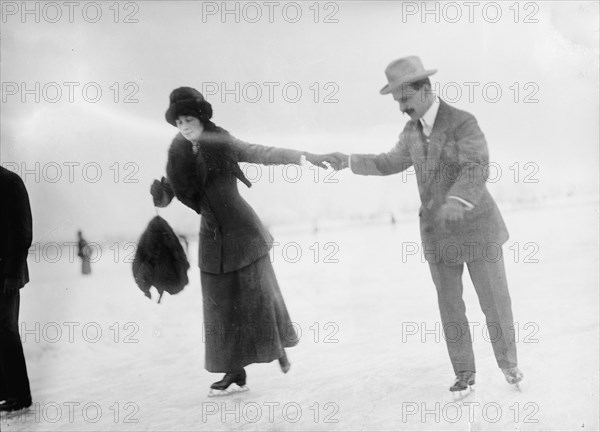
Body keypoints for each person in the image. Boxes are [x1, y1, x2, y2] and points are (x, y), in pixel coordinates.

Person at [325, 56, 523, 392]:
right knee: (450, 307)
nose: (401, 107)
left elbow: (476, 166)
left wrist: (458, 200)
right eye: (397, 101)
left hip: (477, 228)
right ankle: (464, 374)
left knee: (494, 302)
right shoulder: (410, 133)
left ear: (426, 90)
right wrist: (348, 161)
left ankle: (510, 365)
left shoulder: (462, 122)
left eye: (405, 99)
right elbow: (388, 161)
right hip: (439, 234)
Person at [150, 87, 331, 395]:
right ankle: (234, 372)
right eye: (179, 121)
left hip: (243, 233)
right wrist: (162, 195)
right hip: (212, 238)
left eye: (189, 118)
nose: (184, 126)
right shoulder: (177, 155)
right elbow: (175, 192)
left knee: (259, 297)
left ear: (201, 117)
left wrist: (302, 157)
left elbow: (261, 152)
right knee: (218, 308)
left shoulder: (222, 143)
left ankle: (277, 348)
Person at [0, 166, 33, 412]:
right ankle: (6, 393)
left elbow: (22, 233)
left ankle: (20, 396)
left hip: (6, 275)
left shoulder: (10, 182)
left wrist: (11, 273)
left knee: (6, 330)